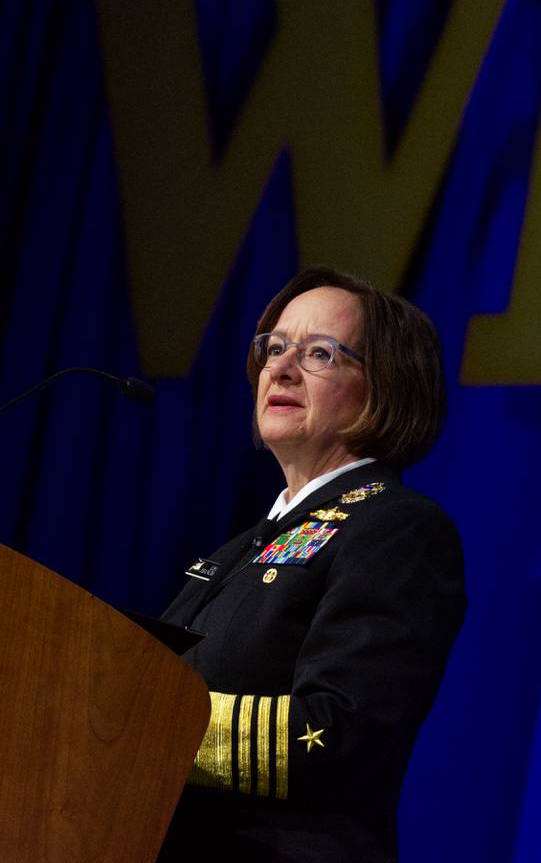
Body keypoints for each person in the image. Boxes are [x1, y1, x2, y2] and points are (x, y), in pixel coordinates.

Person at [157, 267, 466, 863]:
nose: (281, 368)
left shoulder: (397, 529)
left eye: (319, 353)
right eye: (274, 348)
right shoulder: (241, 547)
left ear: (386, 388)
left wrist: (151, 721)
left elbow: (338, 728)